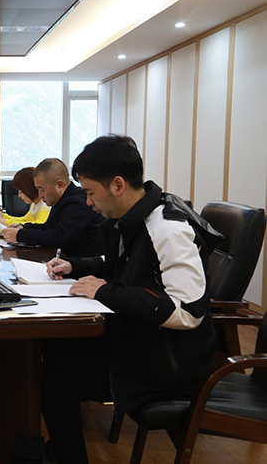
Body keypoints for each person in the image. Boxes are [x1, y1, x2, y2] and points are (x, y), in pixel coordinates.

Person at [41, 135, 219, 464]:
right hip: (141, 339)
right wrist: (76, 266)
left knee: (55, 380)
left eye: (90, 192)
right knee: (52, 350)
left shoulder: (168, 228)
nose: (88, 203)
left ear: (118, 185)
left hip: (168, 363)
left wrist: (104, 291)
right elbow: (124, 267)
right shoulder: (136, 218)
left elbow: (186, 312)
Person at [1, 158, 103, 257]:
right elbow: (48, 227)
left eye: (42, 189)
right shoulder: (61, 199)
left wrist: (20, 235)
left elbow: (59, 237)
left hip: (82, 263)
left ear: (59, 185)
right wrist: (23, 227)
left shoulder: (77, 203)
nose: (40, 195)